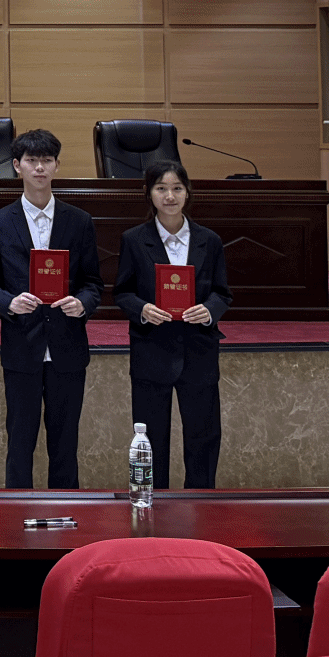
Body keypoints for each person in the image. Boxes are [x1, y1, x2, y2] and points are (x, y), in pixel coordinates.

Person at [0, 128, 103, 489]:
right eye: (32, 160)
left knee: (65, 443)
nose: (40, 168)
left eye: (47, 160)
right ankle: (17, 512)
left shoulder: (79, 221)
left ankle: (67, 511)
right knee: (19, 442)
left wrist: (82, 303)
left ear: (57, 165)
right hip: (22, 347)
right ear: (17, 166)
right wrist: (9, 302)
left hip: (67, 346)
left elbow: (93, 283)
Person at [114, 161, 231, 490]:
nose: (170, 196)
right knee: (150, 439)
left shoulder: (209, 240)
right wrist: (142, 309)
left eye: (177, 188)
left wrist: (208, 310)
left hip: (199, 351)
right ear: (149, 194)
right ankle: (152, 501)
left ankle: (202, 501)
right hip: (152, 349)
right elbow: (122, 292)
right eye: (161, 188)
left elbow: (222, 293)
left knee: (203, 435)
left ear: (187, 192)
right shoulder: (134, 239)